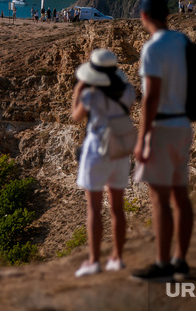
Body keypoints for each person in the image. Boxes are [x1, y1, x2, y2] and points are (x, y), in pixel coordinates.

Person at [131, 0, 194, 282]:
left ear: (144, 16)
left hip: (162, 128)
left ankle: (162, 264)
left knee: (159, 200)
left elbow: (150, 97)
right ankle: (180, 260)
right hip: (183, 124)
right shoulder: (182, 42)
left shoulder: (152, 48)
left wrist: (143, 138)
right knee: (181, 196)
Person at [72, 49, 135, 277]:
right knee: (118, 208)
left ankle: (93, 261)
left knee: (94, 209)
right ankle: (117, 258)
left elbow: (76, 116)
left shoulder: (90, 94)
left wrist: (79, 89)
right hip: (119, 149)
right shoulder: (127, 90)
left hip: (97, 150)